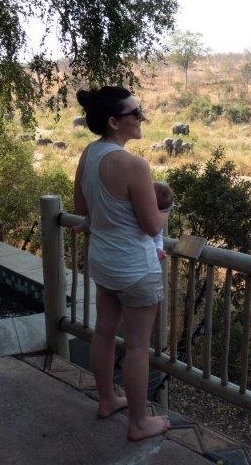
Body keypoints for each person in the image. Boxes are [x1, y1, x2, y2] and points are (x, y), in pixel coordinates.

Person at [73, 86, 171, 441]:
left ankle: (106, 400)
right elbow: (151, 225)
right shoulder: (134, 165)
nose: (141, 118)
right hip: (136, 269)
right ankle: (139, 422)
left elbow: (81, 207)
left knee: (103, 333)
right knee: (136, 347)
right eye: (135, 113)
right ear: (115, 122)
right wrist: (165, 211)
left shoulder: (89, 153)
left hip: (103, 261)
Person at [152, 182, 174, 260]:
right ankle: (158, 251)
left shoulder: (154, 216)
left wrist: (159, 249)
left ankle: (158, 251)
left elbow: (157, 236)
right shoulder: (160, 216)